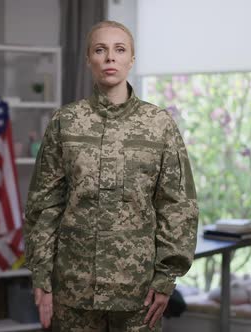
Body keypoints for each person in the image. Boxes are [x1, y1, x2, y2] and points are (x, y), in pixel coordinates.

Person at [24, 20, 199, 331]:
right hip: (74, 287)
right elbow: (44, 204)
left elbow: (177, 204)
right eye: (100, 50)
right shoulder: (66, 122)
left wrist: (166, 277)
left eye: (120, 50)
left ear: (132, 59)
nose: (110, 58)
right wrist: (40, 272)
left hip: (137, 290)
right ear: (89, 58)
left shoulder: (158, 124)